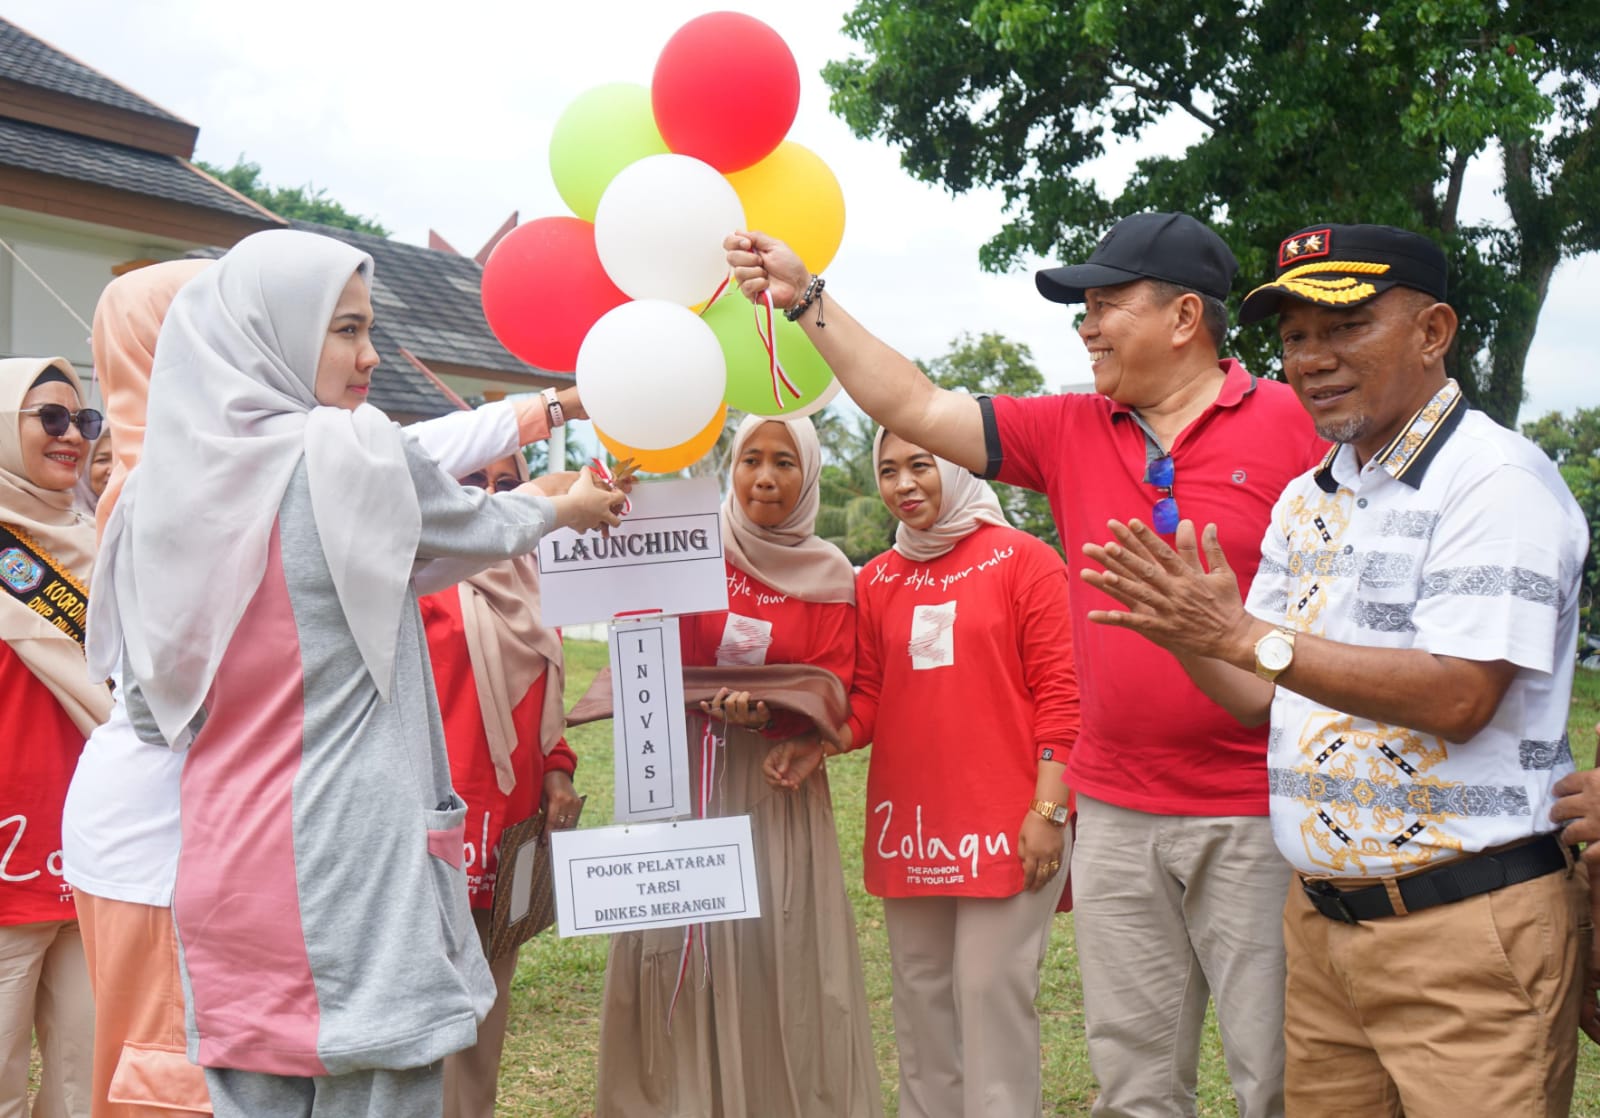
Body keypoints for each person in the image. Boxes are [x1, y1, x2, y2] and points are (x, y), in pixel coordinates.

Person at [729, 213, 1324, 1117]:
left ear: (1183, 318)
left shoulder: (1295, 423)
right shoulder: (1072, 428)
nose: (1086, 327)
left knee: (1272, 1072)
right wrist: (807, 297)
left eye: (1107, 304)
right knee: (1132, 1079)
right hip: (1118, 811)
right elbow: (916, 406)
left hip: (1255, 806)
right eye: (1082, 309)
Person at [84, 228, 624, 1118]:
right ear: (278, 330)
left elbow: (147, 711)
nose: (370, 355)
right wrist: (567, 505)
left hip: (224, 863)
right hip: (358, 860)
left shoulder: (153, 492)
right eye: (346, 329)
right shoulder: (350, 454)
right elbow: (470, 528)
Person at [1081, 223, 1590, 1116]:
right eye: (1294, 337)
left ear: (1433, 333)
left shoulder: (1493, 481)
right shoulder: (1309, 494)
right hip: (1322, 931)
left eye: (1344, 326)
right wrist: (1189, 634)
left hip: (1465, 934)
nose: (1312, 358)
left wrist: (1241, 637)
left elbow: (1461, 695)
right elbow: (1255, 697)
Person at [766, 429, 1079, 1116]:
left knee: (990, 991)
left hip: (1011, 823)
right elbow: (873, 693)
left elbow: (1064, 695)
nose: (904, 484)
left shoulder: (1026, 561)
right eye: (888, 471)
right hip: (911, 826)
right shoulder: (874, 580)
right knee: (920, 998)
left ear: (959, 466)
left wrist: (1050, 811)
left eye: (920, 465)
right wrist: (824, 742)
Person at [595, 414, 881, 1118]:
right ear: (731, 466)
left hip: (773, 784)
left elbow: (844, 685)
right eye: (751, 458)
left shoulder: (831, 575)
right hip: (684, 778)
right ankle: (678, 1099)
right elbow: (641, 639)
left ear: (807, 474)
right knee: (677, 943)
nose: (764, 477)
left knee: (774, 951)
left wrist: (783, 721)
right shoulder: (687, 547)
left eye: (785, 461)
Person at [423, 451, 581, 1118]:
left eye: (507, 484)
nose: (491, 497)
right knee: (423, 1015)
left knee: (486, 1011)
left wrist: (558, 767)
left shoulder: (541, 582)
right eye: (471, 484)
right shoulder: (418, 578)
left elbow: (549, 707)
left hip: (511, 823)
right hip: (427, 823)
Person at [0, 356, 114, 1118]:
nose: (71, 434)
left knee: (86, 1083)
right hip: (7, 856)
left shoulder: (99, 539)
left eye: (84, 420)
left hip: (93, 850)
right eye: (49, 417)